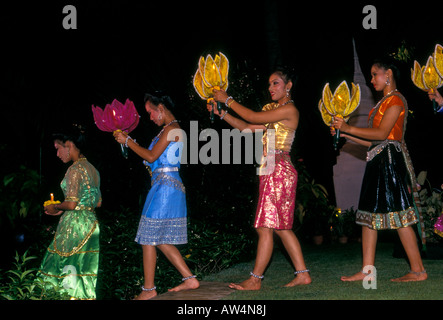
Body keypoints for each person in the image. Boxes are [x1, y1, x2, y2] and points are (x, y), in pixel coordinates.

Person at [207, 67, 311, 290]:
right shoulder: (276, 113)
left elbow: (252, 116)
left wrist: (228, 99)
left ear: (288, 85)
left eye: (276, 83)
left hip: (278, 168)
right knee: (281, 227)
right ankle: (302, 274)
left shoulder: (290, 109)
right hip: (274, 168)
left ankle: (255, 279)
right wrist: (222, 113)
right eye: (270, 84)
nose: (270, 87)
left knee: (265, 226)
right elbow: (246, 126)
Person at [332, 59, 427, 282]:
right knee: (368, 216)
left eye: (375, 74)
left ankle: (418, 270)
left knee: (399, 215)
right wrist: (347, 135)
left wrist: (348, 127)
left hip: (390, 163)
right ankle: (367, 270)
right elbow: (375, 142)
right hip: (377, 161)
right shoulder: (381, 103)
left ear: (389, 74)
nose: (372, 79)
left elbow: (383, 134)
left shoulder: (396, 100)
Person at [114, 93, 199, 300]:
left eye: (151, 112)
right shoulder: (168, 130)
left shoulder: (172, 129)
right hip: (163, 186)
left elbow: (151, 156)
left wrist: (129, 141)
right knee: (159, 239)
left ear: (161, 107)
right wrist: (128, 143)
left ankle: (149, 289)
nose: (150, 117)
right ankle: (189, 279)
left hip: (166, 187)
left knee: (147, 237)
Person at [38, 124, 102, 299]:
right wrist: (63, 208)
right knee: (83, 273)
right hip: (91, 225)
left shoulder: (74, 169)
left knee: (62, 269)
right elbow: (97, 202)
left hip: (74, 225)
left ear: (68, 144)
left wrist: (56, 207)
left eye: (58, 148)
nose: (57, 154)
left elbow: (72, 205)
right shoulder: (92, 169)